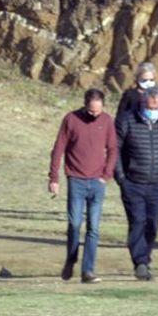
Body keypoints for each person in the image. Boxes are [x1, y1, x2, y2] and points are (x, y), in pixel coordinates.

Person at [49, 88, 117, 283]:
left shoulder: (107, 122)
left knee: (93, 227)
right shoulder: (71, 119)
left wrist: (106, 175)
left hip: (98, 182)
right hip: (76, 180)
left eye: (97, 111)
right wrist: (54, 177)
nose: (94, 115)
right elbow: (58, 148)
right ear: (85, 105)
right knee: (74, 223)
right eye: (91, 111)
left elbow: (113, 149)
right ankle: (71, 260)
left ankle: (88, 270)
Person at [115, 85, 158, 281]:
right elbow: (114, 150)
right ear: (142, 103)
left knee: (152, 223)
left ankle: (145, 256)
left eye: (156, 107)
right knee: (137, 221)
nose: (152, 110)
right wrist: (121, 178)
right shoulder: (127, 120)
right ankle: (140, 262)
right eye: (149, 106)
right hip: (133, 182)